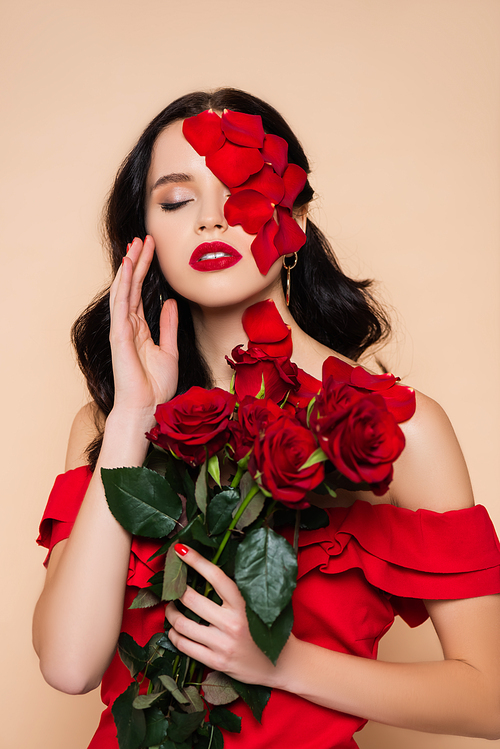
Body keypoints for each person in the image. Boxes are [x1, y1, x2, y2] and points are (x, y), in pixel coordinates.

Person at [33, 88, 500, 748]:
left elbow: (489, 695)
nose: (211, 221)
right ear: (144, 235)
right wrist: (133, 415)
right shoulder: (107, 423)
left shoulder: (399, 429)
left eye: (239, 190)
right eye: (175, 200)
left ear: (297, 220)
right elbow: (68, 665)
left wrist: (280, 662)